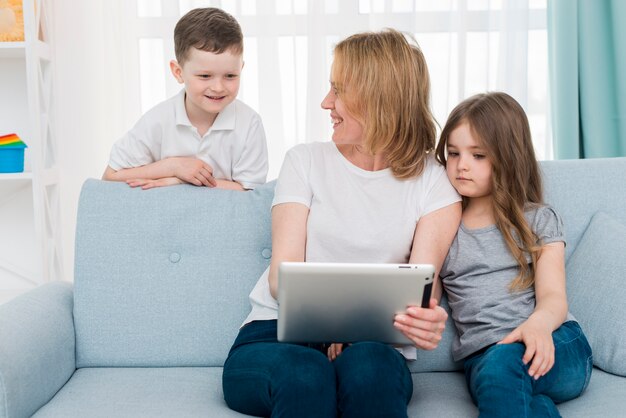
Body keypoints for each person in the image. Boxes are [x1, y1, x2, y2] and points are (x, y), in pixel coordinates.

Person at [222, 29, 462, 417]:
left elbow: (421, 288)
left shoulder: (434, 182)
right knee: (305, 373)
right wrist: (333, 328)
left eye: (338, 90)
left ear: (378, 98)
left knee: (372, 370)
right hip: (276, 334)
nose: (325, 103)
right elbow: (282, 278)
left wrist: (425, 319)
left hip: (372, 346)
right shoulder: (305, 161)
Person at [435, 92, 593, 417]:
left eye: (478, 155)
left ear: (507, 156)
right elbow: (422, 293)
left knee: (503, 367)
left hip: (556, 342)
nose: (462, 165)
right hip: (486, 358)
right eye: (453, 153)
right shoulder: (441, 225)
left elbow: (553, 296)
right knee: (510, 380)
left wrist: (537, 326)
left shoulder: (537, 219)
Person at [102, 7, 268, 191]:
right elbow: (110, 177)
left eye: (230, 76)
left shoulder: (249, 123)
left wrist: (182, 181)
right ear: (178, 72)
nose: (218, 87)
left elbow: (251, 193)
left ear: (241, 69)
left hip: (226, 219)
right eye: (205, 76)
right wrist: (172, 166)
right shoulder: (157, 120)